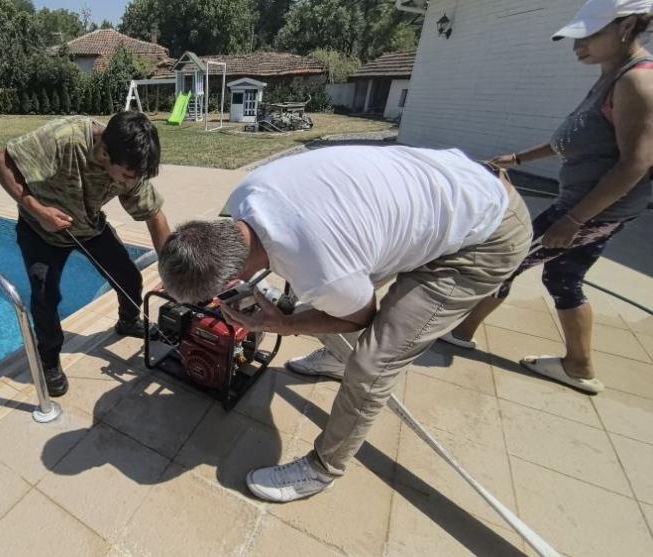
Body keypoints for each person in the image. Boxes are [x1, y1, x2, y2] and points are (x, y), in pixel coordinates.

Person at [157, 144, 532, 503]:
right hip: (452, 187)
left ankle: (323, 468)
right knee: (342, 285)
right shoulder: (242, 197)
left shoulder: (321, 269)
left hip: (486, 236)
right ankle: (336, 361)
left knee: (372, 362)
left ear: (228, 279)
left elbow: (360, 317)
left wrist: (279, 325)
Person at [442, 0, 653, 394]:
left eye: (590, 35)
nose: (578, 46)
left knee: (504, 257)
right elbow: (577, 138)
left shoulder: (637, 82)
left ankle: (461, 331)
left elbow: (634, 165)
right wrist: (522, 157)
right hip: (583, 205)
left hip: (588, 210)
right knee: (561, 274)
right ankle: (577, 364)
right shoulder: (612, 75)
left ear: (626, 27)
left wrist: (572, 221)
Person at [0, 111, 171, 397]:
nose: (129, 183)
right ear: (105, 153)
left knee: (128, 276)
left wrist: (171, 273)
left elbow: (154, 216)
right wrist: (38, 210)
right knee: (46, 298)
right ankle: (49, 361)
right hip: (41, 231)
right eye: (126, 176)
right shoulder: (66, 138)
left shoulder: (129, 166)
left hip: (87, 225)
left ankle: (128, 321)